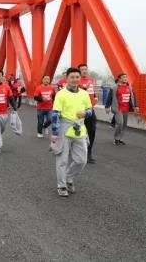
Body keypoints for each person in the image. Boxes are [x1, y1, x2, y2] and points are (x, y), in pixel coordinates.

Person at [50, 67, 93, 197]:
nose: (75, 80)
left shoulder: (84, 93)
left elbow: (90, 110)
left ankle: (69, 177)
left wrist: (85, 113)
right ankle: (61, 185)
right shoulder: (61, 94)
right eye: (72, 77)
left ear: (80, 78)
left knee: (81, 160)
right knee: (62, 159)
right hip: (64, 126)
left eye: (77, 77)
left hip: (79, 127)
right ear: (67, 78)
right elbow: (56, 114)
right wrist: (55, 133)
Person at [106, 73, 139, 146]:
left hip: (126, 109)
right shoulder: (114, 88)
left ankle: (120, 139)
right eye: (123, 77)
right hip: (118, 109)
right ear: (119, 79)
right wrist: (107, 106)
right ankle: (116, 138)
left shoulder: (129, 87)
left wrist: (136, 106)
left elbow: (133, 97)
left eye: (126, 77)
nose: (125, 78)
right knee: (120, 123)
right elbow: (110, 97)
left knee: (124, 125)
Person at [78, 64, 98, 163]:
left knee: (92, 130)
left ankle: (88, 153)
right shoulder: (76, 80)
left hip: (90, 109)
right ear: (79, 71)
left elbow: (92, 92)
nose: (84, 71)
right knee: (76, 131)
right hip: (79, 110)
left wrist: (95, 97)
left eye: (86, 69)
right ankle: (75, 151)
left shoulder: (91, 79)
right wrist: (85, 88)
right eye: (82, 70)